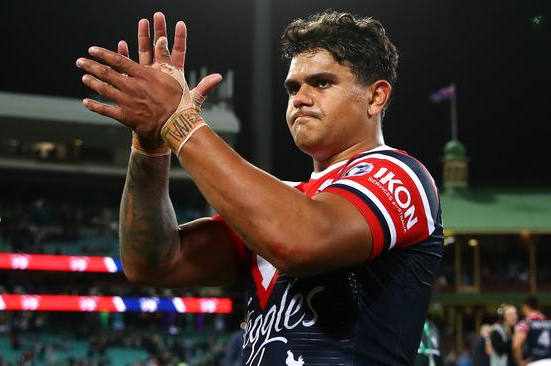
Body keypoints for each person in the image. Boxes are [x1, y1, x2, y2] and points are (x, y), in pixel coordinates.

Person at [76, 10, 443, 365]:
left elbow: (298, 240)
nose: (299, 97)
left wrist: (180, 122)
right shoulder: (280, 205)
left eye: (322, 83)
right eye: (293, 87)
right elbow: (153, 263)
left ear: (376, 97)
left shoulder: (401, 174)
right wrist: (151, 145)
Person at [513, 296, 551, 366]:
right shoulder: (548, 321)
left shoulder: (526, 323)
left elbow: (516, 345)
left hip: (535, 362)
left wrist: (520, 362)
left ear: (525, 307)